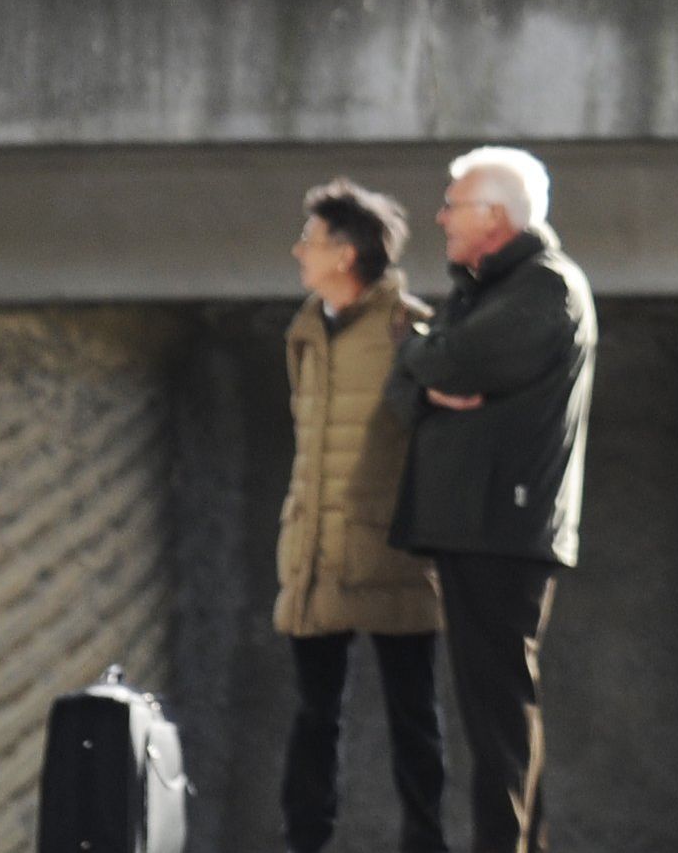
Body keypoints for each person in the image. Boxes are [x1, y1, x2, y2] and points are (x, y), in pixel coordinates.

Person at [388, 147, 598, 853]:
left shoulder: (544, 289)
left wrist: (423, 353)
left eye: (454, 204)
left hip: (500, 526)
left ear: (496, 217)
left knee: (501, 717)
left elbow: (444, 360)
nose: (441, 217)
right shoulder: (484, 291)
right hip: (473, 523)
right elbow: (409, 386)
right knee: (495, 715)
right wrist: (425, 364)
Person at [279, 179, 448, 853]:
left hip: (392, 553)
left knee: (413, 715)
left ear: (345, 254)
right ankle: (303, 842)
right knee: (313, 713)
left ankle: (426, 843)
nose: (298, 250)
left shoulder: (412, 328)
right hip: (315, 551)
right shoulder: (304, 332)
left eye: (311, 240)